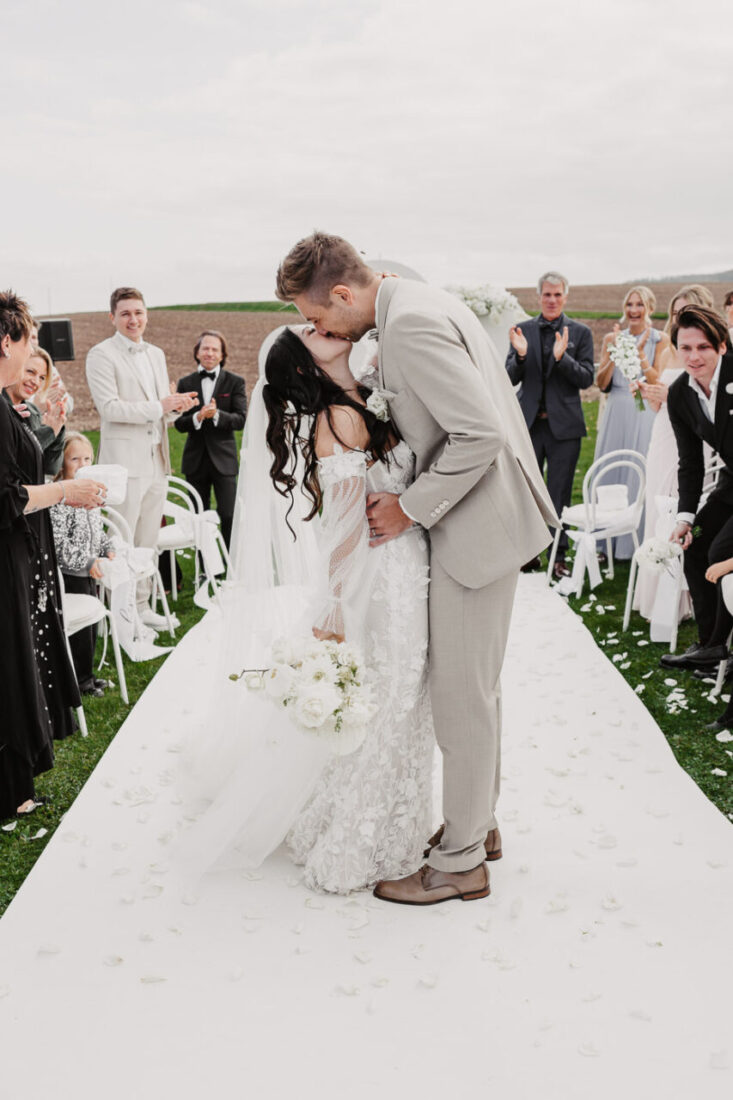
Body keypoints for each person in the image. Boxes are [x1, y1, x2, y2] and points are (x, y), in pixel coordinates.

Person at [274, 232, 556, 905]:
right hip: (483, 521)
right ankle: (475, 825)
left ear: (343, 293)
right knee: (475, 689)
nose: (317, 330)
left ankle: (459, 862)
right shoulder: (417, 302)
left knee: (461, 698)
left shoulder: (412, 326)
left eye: (316, 318)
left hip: (473, 530)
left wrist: (409, 507)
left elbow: (479, 433)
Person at [0, 291, 105, 818]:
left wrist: (38, 417)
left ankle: (14, 783)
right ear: (5, 342)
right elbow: (7, 497)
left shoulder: (4, 403)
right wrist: (66, 492)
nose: (33, 353)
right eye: (30, 341)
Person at [86, 287, 198, 623]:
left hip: (157, 460)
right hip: (124, 464)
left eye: (138, 312)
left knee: (148, 540)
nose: (133, 320)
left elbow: (160, 409)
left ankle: (144, 606)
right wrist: (160, 405)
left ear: (146, 314)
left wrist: (177, 407)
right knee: (122, 540)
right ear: (113, 318)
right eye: (125, 314)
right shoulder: (101, 354)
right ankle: (117, 615)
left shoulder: (157, 354)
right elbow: (109, 408)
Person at [632, 285, 714, 623]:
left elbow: (706, 402)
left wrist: (673, 397)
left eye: (688, 310)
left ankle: (694, 597)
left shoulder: (707, 352)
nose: (681, 317)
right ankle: (662, 596)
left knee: (687, 507)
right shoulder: (668, 349)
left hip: (693, 437)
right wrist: (652, 393)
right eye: (677, 312)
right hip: (663, 437)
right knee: (660, 507)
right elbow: (658, 405)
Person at [506, 272, 594, 578]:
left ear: (565, 297)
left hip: (564, 429)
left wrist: (562, 359)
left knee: (560, 495)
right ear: (539, 297)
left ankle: (559, 555)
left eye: (558, 295)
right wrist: (519, 355)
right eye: (547, 295)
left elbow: (586, 378)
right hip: (528, 426)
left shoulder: (580, 333)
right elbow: (508, 379)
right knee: (526, 492)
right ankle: (528, 554)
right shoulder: (523, 330)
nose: (552, 300)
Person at [660, 306, 733, 674]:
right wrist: (685, 518)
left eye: (703, 347)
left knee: (721, 550)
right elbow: (690, 463)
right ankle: (710, 646)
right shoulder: (679, 395)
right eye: (685, 348)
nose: (693, 357)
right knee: (696, 542)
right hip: (730, 487)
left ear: (721, 346)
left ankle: (722, 644)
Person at [593, 286, 670, 560]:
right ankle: (604, 544)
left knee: (639, 471)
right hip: (616, 409)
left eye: (639, 305)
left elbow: (659, 381)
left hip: (644, 411)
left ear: (649, 307)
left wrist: (641, 359)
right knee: (611, 470)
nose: (634, 310)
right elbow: (601, 384)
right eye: (630, 304)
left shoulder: (661, 339)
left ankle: (636, 543)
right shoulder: (612, 338)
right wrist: (614, 356)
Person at [51, 433, 115, 697]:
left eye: (87, 458)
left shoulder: (90, 489)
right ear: (62, 463)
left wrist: (106, 547)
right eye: (74, 458)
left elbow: (96, 529)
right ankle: (80, 682)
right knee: (78, 631)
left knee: (90, 628)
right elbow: (58, 545)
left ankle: (88, 675)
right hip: (71, 573)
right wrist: (87, 561)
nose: (81, 463)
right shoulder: (59, 498)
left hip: (91, 570)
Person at [174, 330, 247, 548]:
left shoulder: (235, 382)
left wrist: (216, 415)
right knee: (198, 516)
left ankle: (230, 565)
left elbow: (241, 419)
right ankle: (205, 569)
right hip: (195, 461)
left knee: (228, 514)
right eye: (205, 348)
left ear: (222, 355)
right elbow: (178, 423)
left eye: (215, 349)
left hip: (224, 461)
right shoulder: (185, 383)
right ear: (197, 353)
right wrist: (197, 417)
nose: (209, 353)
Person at [5, 345, 66, 476]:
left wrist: (57, 431)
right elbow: (16, 461)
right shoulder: (3, 408)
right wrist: (48, 432)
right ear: (16, 366)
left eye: (42, 377)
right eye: (30, 372)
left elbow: (50, 468)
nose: (35, 381)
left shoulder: (33, 412)